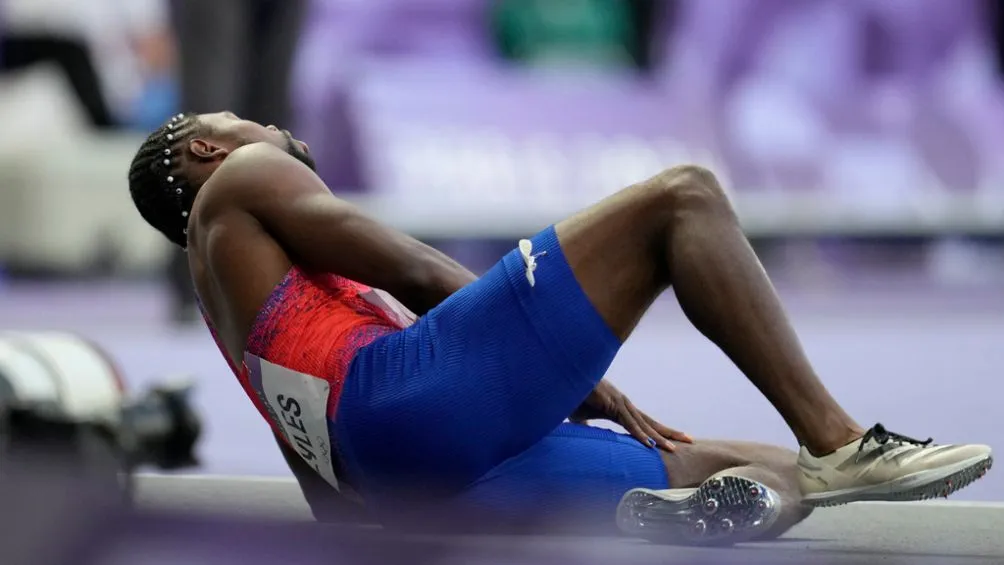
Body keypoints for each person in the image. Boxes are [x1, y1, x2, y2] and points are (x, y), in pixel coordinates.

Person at [127, 112, 992, 544]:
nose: (266, 126)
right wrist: (575, 374)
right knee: (684, 198)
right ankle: (844, 438)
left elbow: (306, 448)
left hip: (403, 485)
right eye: (237, 116)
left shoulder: (229, 302)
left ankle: (744, 498)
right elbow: (419, 269)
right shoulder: (241, 177)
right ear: (204, 147)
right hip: (406, 398)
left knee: (764, 473)